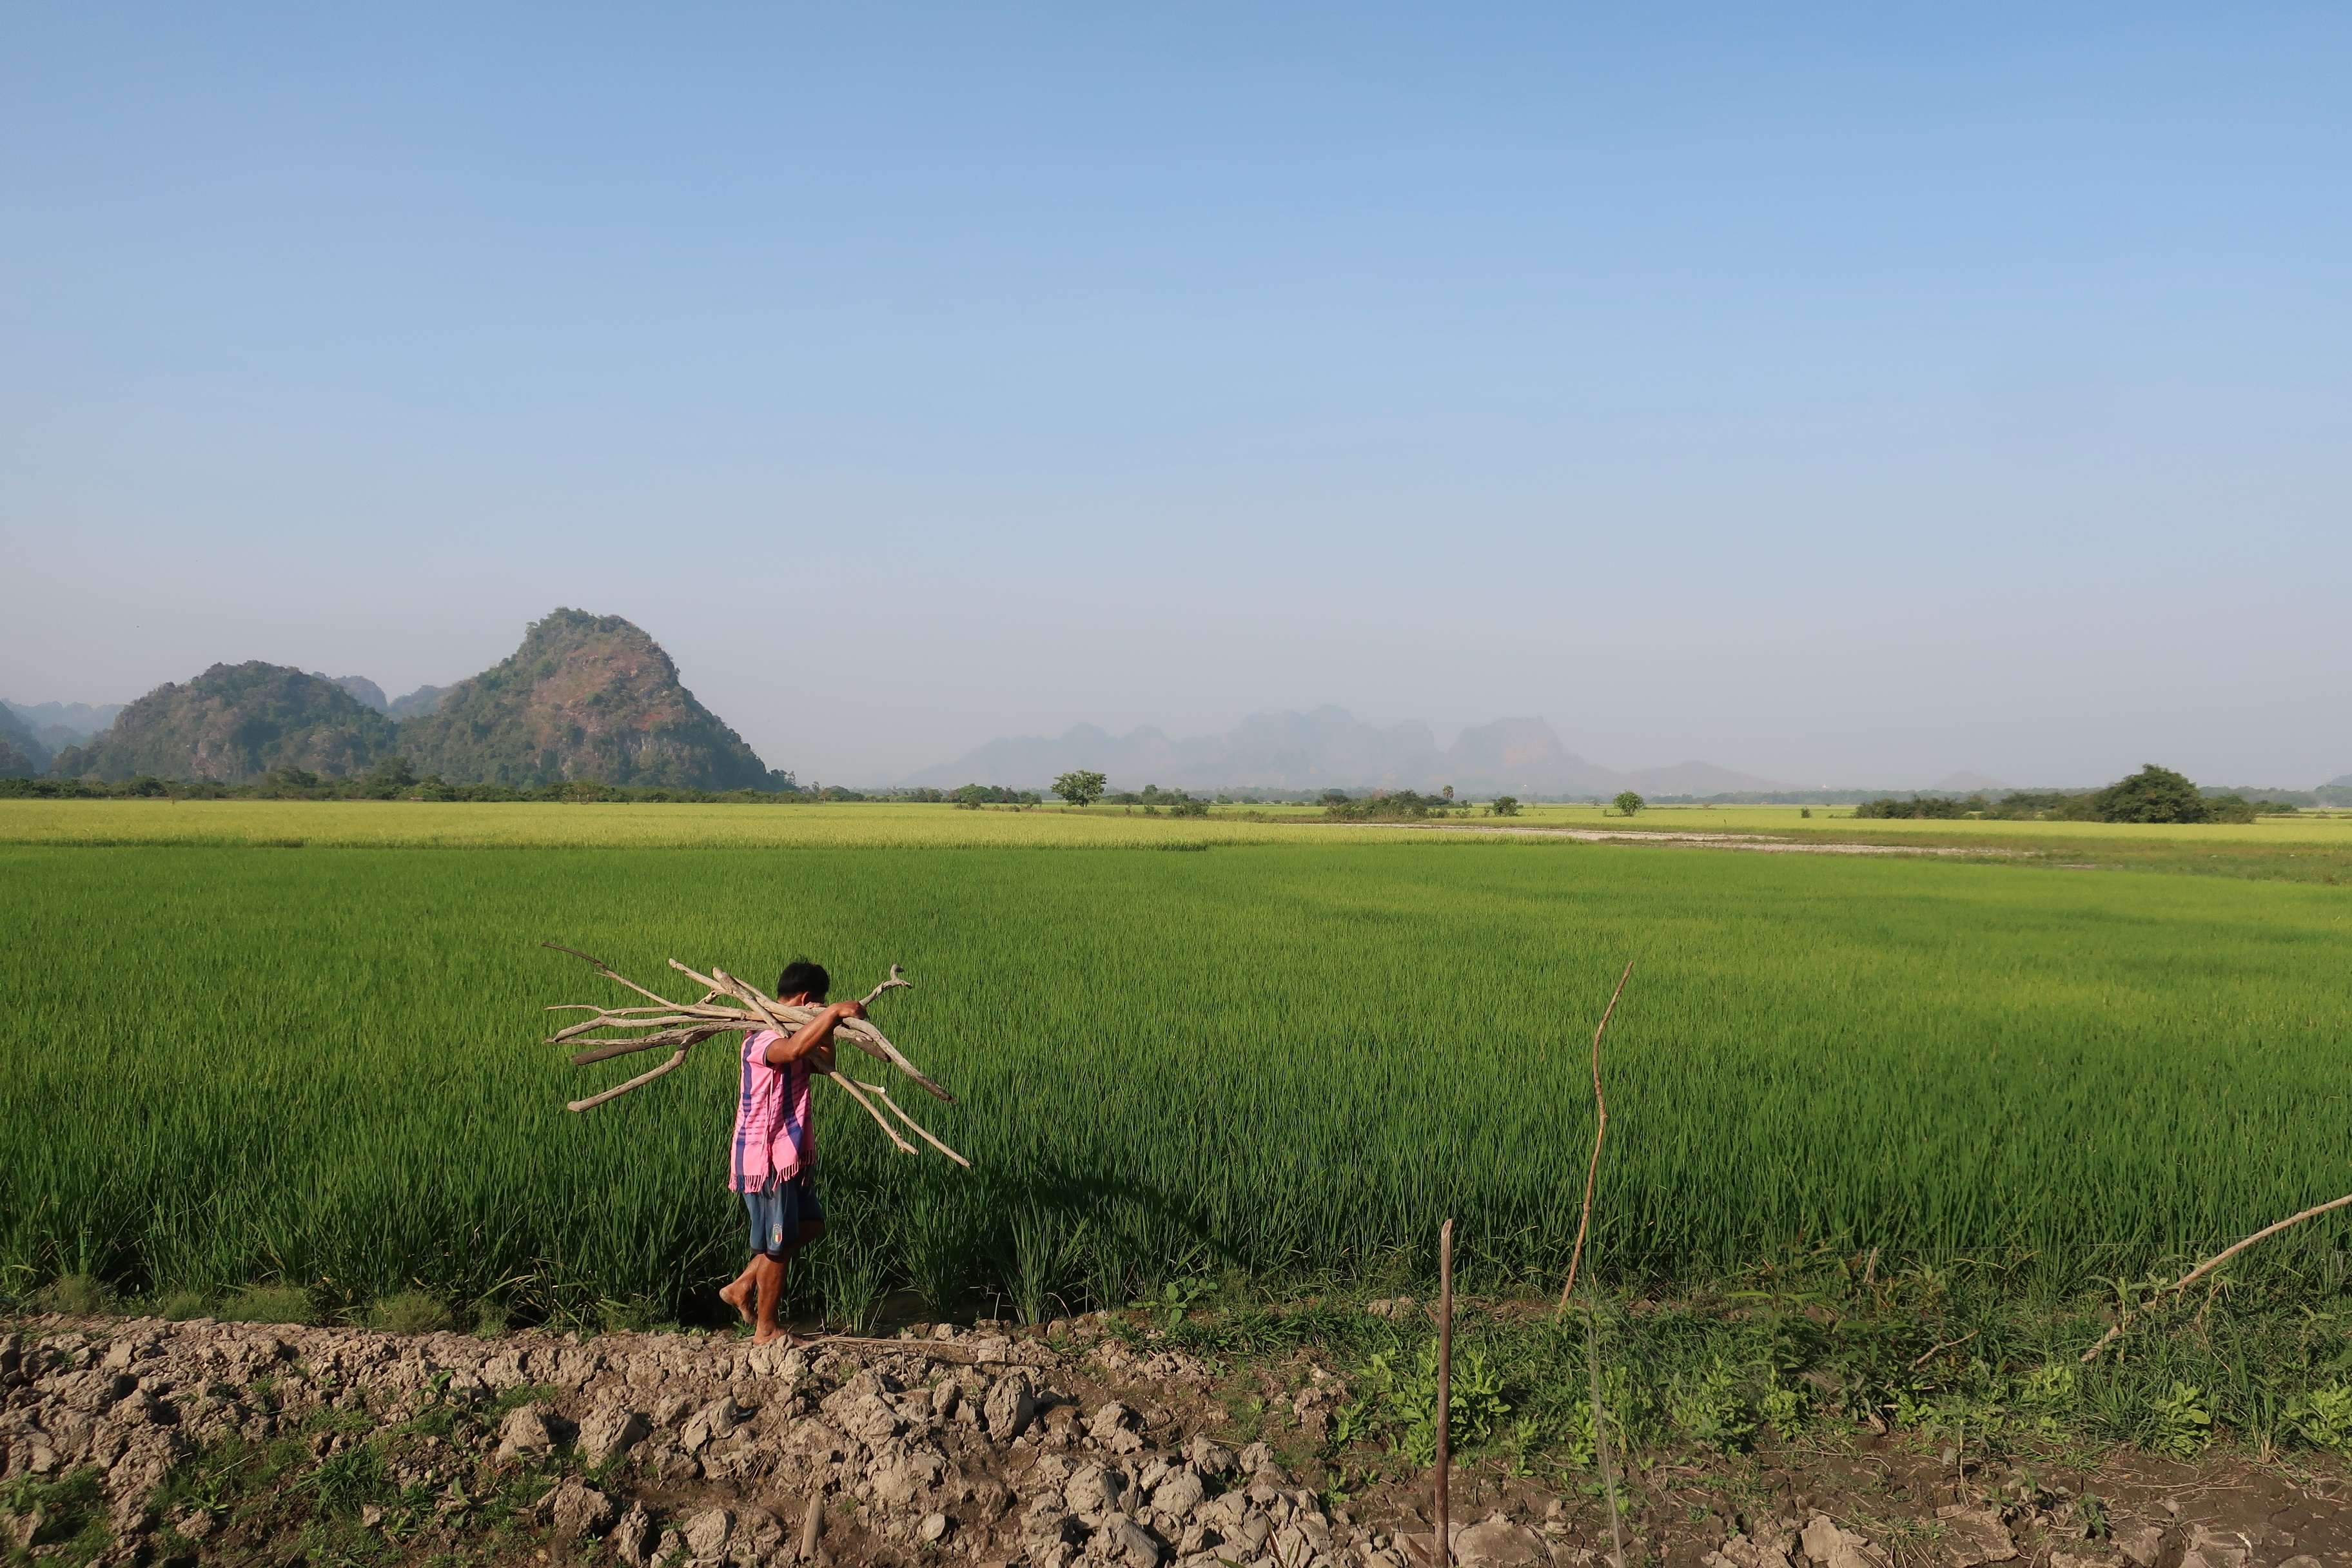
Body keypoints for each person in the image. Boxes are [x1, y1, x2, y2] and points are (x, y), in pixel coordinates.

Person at [717, 958, 865, 1344]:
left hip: (790, 1158)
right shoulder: (762, 1039)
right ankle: (766, 1330)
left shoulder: (796, 1036)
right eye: (817, 1003)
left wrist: (828, 1027)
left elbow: (823, 1061)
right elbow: (796, 1048)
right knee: (778, 1249)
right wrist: (831, 1014)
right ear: (805, 999)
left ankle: (743, 1284)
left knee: (811, 1226)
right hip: (766, 1161)